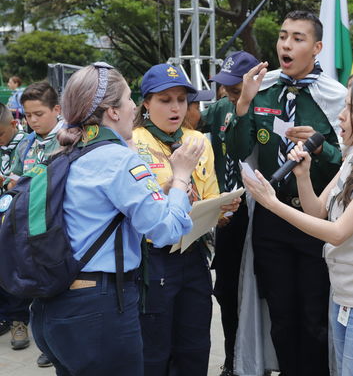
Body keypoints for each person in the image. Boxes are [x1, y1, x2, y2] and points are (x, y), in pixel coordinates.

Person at [28, 63, 203, 376]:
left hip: (54, 309)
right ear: (112, 111)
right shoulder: (116, 160)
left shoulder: (64, 151)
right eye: (128, 99)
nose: (134, 106)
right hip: (100, 309)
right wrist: (180, 177)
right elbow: (165, 229)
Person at [243, 77, 353, 376]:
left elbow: (337, 232)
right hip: (345, 293)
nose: (340, 117)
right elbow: (319, 212)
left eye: (350, 109)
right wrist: (303, 176)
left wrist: (272, 204)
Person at [226, 10, 346, 376]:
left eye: (298, 38)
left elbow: (347, 163)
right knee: (280, 315)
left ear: (318, 47)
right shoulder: (263, 89)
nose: (286, 45)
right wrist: (243, 105)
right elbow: (236, 150)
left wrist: (319, 148)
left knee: (314, 317)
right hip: (270, 221)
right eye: (283, 36)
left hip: (313, 220)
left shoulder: (336, 97)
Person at [132, 63, 238, 376]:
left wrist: (222, 210)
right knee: (154, 352)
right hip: (153, 258)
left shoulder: (198, 142)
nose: (176, 107)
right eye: (165, 100)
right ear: (146, 104)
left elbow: (210, 196)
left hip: (193, 255)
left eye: (181, 99)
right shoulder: (133, 144)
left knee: (194, 347)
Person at [198, 50, 259, 376]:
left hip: (266, 214)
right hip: (230, 214)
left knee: (263, 290)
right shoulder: (220, 108)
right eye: (226, 87)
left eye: (236, 88)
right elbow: (190, 125)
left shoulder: (269, 105)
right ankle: (233, 358)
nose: (228, 94)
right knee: (227, 291)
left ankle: (262, 359)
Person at [5, 81, 63, 367]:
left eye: (39, 113)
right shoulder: (27, 142)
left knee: (56, 290)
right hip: (27, 227)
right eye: (28, 115)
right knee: (34, 289)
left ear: (57, 109)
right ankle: (43, 339)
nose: (33, 120)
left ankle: (55, 345)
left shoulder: (70, 139)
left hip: (56, 230)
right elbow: (15, 175)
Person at [0, 103, 27, 346]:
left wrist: (7, 181)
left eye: (0, 134)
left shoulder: (27, 145)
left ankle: (19, 320)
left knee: (13, 266)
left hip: (17, 215)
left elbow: (28, 179)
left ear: (12, 123)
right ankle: (3, 317)